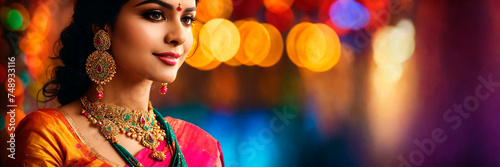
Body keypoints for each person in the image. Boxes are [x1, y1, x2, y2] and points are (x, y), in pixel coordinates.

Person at [7, 0, 224, 166]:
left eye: (187, 19)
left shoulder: (202, 148)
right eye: (155, 15)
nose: (179, 36)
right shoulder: (49, 136)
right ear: (102, 24)